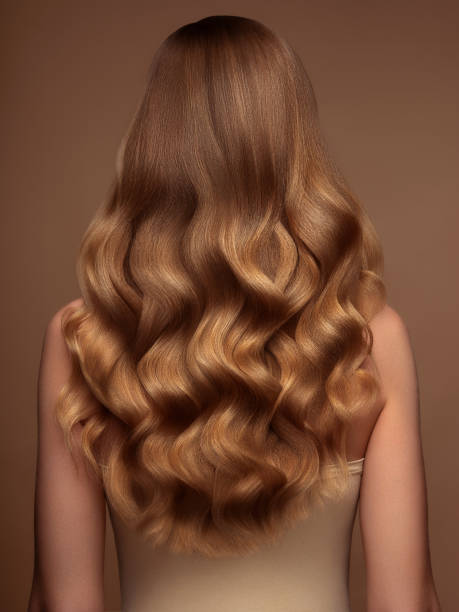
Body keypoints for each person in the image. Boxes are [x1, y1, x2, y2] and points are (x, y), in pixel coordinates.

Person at [27, 15, 441, 612]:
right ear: (293, 146)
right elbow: (408, 602)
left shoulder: (86, 339)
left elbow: (63, 603)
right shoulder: (367, 339)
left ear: (152, 146)